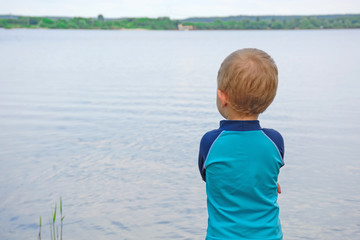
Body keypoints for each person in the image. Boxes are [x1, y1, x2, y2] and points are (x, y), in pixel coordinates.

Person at [198, 48, 285, 240]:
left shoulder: (210, 142)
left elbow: (212, 177)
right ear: (269, 99)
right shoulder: (275, 141)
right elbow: (261, 171)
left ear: (223, 97)